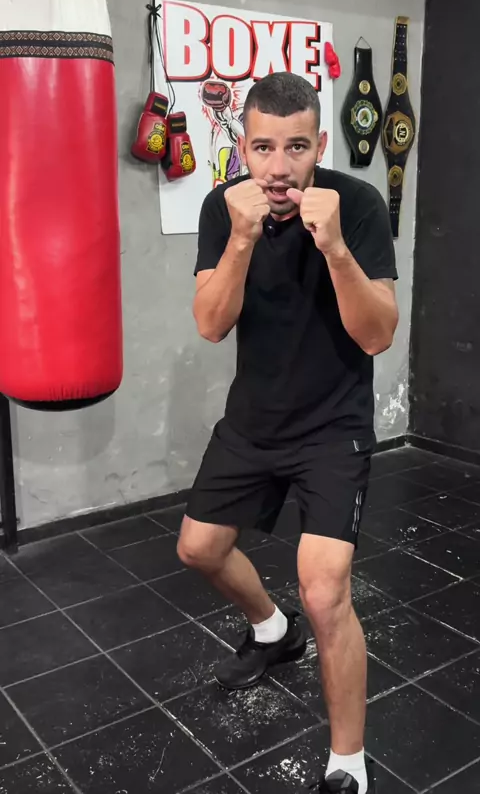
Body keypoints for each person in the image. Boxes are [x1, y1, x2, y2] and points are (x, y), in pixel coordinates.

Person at [177, 71, 398, 794]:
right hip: (253, 421)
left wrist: (335, 249)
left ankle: (347, 763)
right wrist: (241, 238)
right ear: (243, 146)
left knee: (325, 591)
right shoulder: (224, 207)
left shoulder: (357, 205)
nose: (278, 167)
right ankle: (273, 630)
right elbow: (211, 324)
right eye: (264, 148)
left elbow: (377, 335)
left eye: (296, 147)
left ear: (320, 145)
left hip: (333, 426)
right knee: (199, 549)